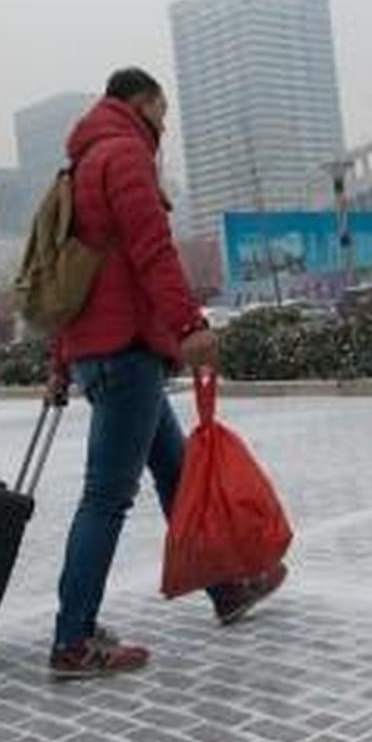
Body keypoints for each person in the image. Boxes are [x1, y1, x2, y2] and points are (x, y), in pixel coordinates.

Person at [47, 68, 287, 679]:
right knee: (105, 498)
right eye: (163, 110)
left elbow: (65, 277)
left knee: (177, 475)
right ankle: (73, 641)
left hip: (104, 350)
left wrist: (61, 358)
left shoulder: (78, 167)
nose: (165, 124)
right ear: (141, 103)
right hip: (127, 352)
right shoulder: (124, 157)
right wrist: (189, 326)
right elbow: (153, 249)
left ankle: (227, 588)